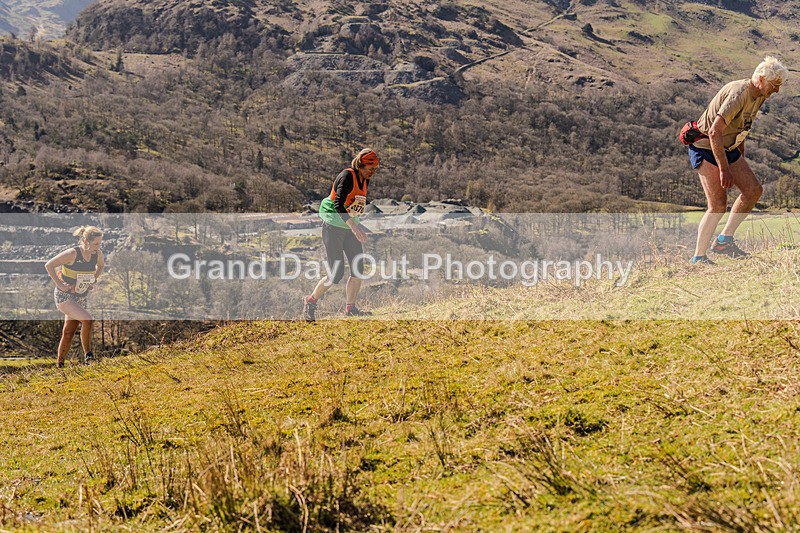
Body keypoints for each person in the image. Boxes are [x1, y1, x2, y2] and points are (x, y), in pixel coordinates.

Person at [689, 56, 789, 265]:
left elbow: (742, 127)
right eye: (774, 85)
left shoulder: (760, 94)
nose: (776, 91)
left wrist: (739, 160)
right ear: (761, 79)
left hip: (729, 146)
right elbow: (715, 131)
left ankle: (724, 241)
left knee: (753, 190)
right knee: (718, 204)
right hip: (706, 145)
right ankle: (699, 257)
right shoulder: (739, 93)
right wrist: (725, 169)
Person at [303, 148, 379, 321]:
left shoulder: (364, 179)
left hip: (349, 227)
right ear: (361, 164)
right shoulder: (347, 176)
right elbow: (338, 204)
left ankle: (350, 309)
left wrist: (357, 226)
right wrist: (354, 227)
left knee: (358, 268)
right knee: (336, 274)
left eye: (375, 169)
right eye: (370, 168)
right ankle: (311, 301)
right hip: (333, 227)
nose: (373, 172)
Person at [45, 226, 105, 367]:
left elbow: (101, 266)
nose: (98, 246)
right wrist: (61, 285)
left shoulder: (97, 254)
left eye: (100, 243)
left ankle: (59, 365)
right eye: (96, 243)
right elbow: (49, 265)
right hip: (64, 296)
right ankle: (88, 357)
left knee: (68, 332)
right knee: (87, 319)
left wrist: (92, 279)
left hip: (80, 296)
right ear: (85, 241)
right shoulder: (72, 253)